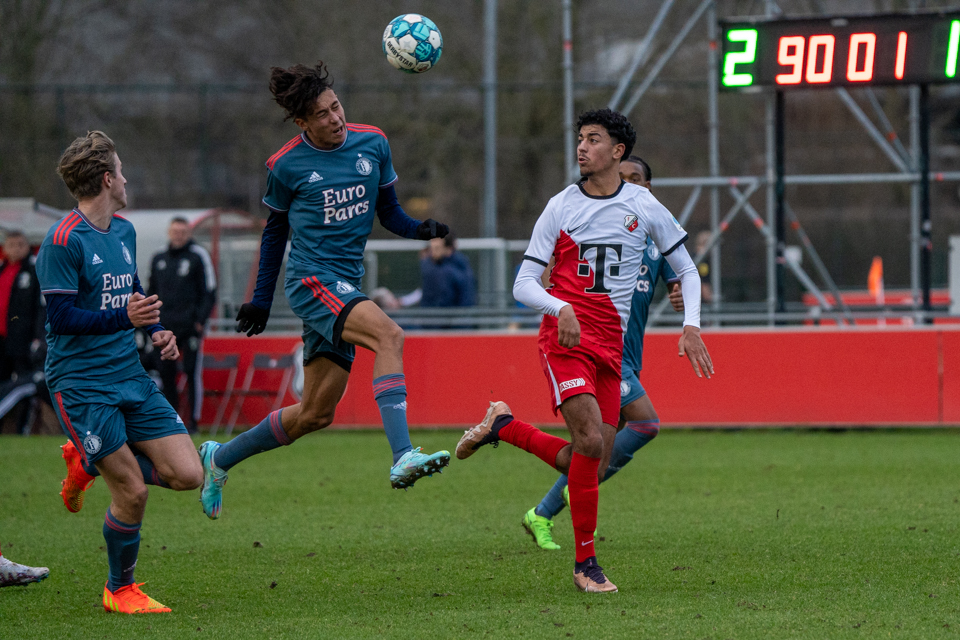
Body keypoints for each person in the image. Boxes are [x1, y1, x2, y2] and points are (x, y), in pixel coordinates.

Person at [456, 109, 712, 594]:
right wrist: (560, 308)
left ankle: (504, 426)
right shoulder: (560, 206)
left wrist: (691, 326)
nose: (582, 147)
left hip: (612, 351)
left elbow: (688, 269)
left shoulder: (643, 204)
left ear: (617, 152)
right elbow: (523, 283)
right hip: (566, 341)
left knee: (590, 457)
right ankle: (586, 565)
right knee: (591, 444)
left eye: (593, 140)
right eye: (579, 139)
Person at [198, 62, 452, 520]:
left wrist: (421, 230)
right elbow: (274, 235)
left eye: (337, 107)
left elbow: (388, 212)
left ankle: (219, 458)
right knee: (389, 336)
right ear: (302, 122)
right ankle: (402, 456)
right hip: (312, 279)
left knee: (315, 414)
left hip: (345, 284)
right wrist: (260, 296)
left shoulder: (372, 142)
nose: (335, 118)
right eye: (322, 114)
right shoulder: (285, 165)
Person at [38, 131, 203, 613]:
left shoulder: (125, 231)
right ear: (108, 179)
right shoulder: (62, 241)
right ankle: (119, 590)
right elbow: (61, 320)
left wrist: (156, 330)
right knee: (131, 491)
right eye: (123, 170)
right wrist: (124, 320)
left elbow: (128, 290)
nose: (127, 178)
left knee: (188, 474)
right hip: (81, 385)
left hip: (128, 375)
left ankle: (88, 460)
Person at [521, 155, 688, 551]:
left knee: (591, 447)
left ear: (648, 189)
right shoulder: (591, 226)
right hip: (598, 351)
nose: (627, 182)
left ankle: (543, 510)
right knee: (643, 425)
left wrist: (679, 293)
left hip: (625, 355)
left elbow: (679, 275)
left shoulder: (652, 239)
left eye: (636, 178)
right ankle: (566, 498)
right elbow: (546, 274)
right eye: (623, 175)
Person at [148, 217, 217, 432]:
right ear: (169, 233)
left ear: (188, 233)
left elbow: (210, 290)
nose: (178, 235)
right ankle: (172, 422)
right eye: (175, 231)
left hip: (190, 327)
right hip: (164, 328)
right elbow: (150, 291)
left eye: (182, 232)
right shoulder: (159, 257)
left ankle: (193, 422)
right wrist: (151, 322)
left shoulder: (198, 255)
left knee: (191, 371)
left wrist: (200, 320)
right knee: (166, 374)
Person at [0, 230, 48, 433]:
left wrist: (39, 338)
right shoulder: (2, 269)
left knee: (24, 384)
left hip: (23, 340)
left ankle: (23, 428)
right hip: (2, 339)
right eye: (11, 245)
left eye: (20, 245)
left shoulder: (34, 270)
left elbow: (41, 308)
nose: (15, 249)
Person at [420, 234, 476, 307]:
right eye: (431, 248)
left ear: (448, 249)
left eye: (437, 248)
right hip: (433, 315)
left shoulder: (458, 268)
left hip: (452, 315)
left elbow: (466, 296)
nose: (433, 252)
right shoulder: (430, 266)